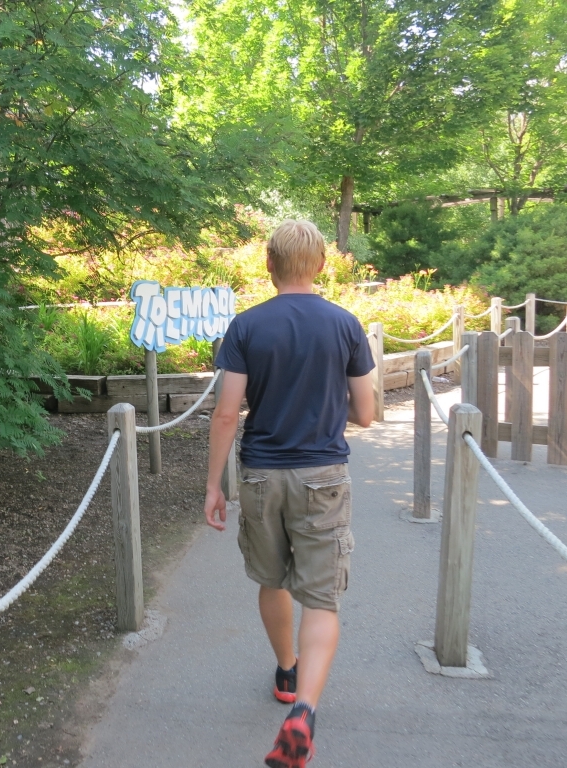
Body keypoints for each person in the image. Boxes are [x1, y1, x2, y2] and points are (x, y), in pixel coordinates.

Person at [203, 220, 375, 768]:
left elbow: (228, 412)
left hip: (259, 475)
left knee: (271, 578)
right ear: (321, 265)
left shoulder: (247, 326)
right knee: (322, 598)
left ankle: (286, 670)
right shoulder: (346, 325)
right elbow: (366, 413)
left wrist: (214, 484)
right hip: (323, 475)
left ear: (269, 265)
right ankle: (303, 711)